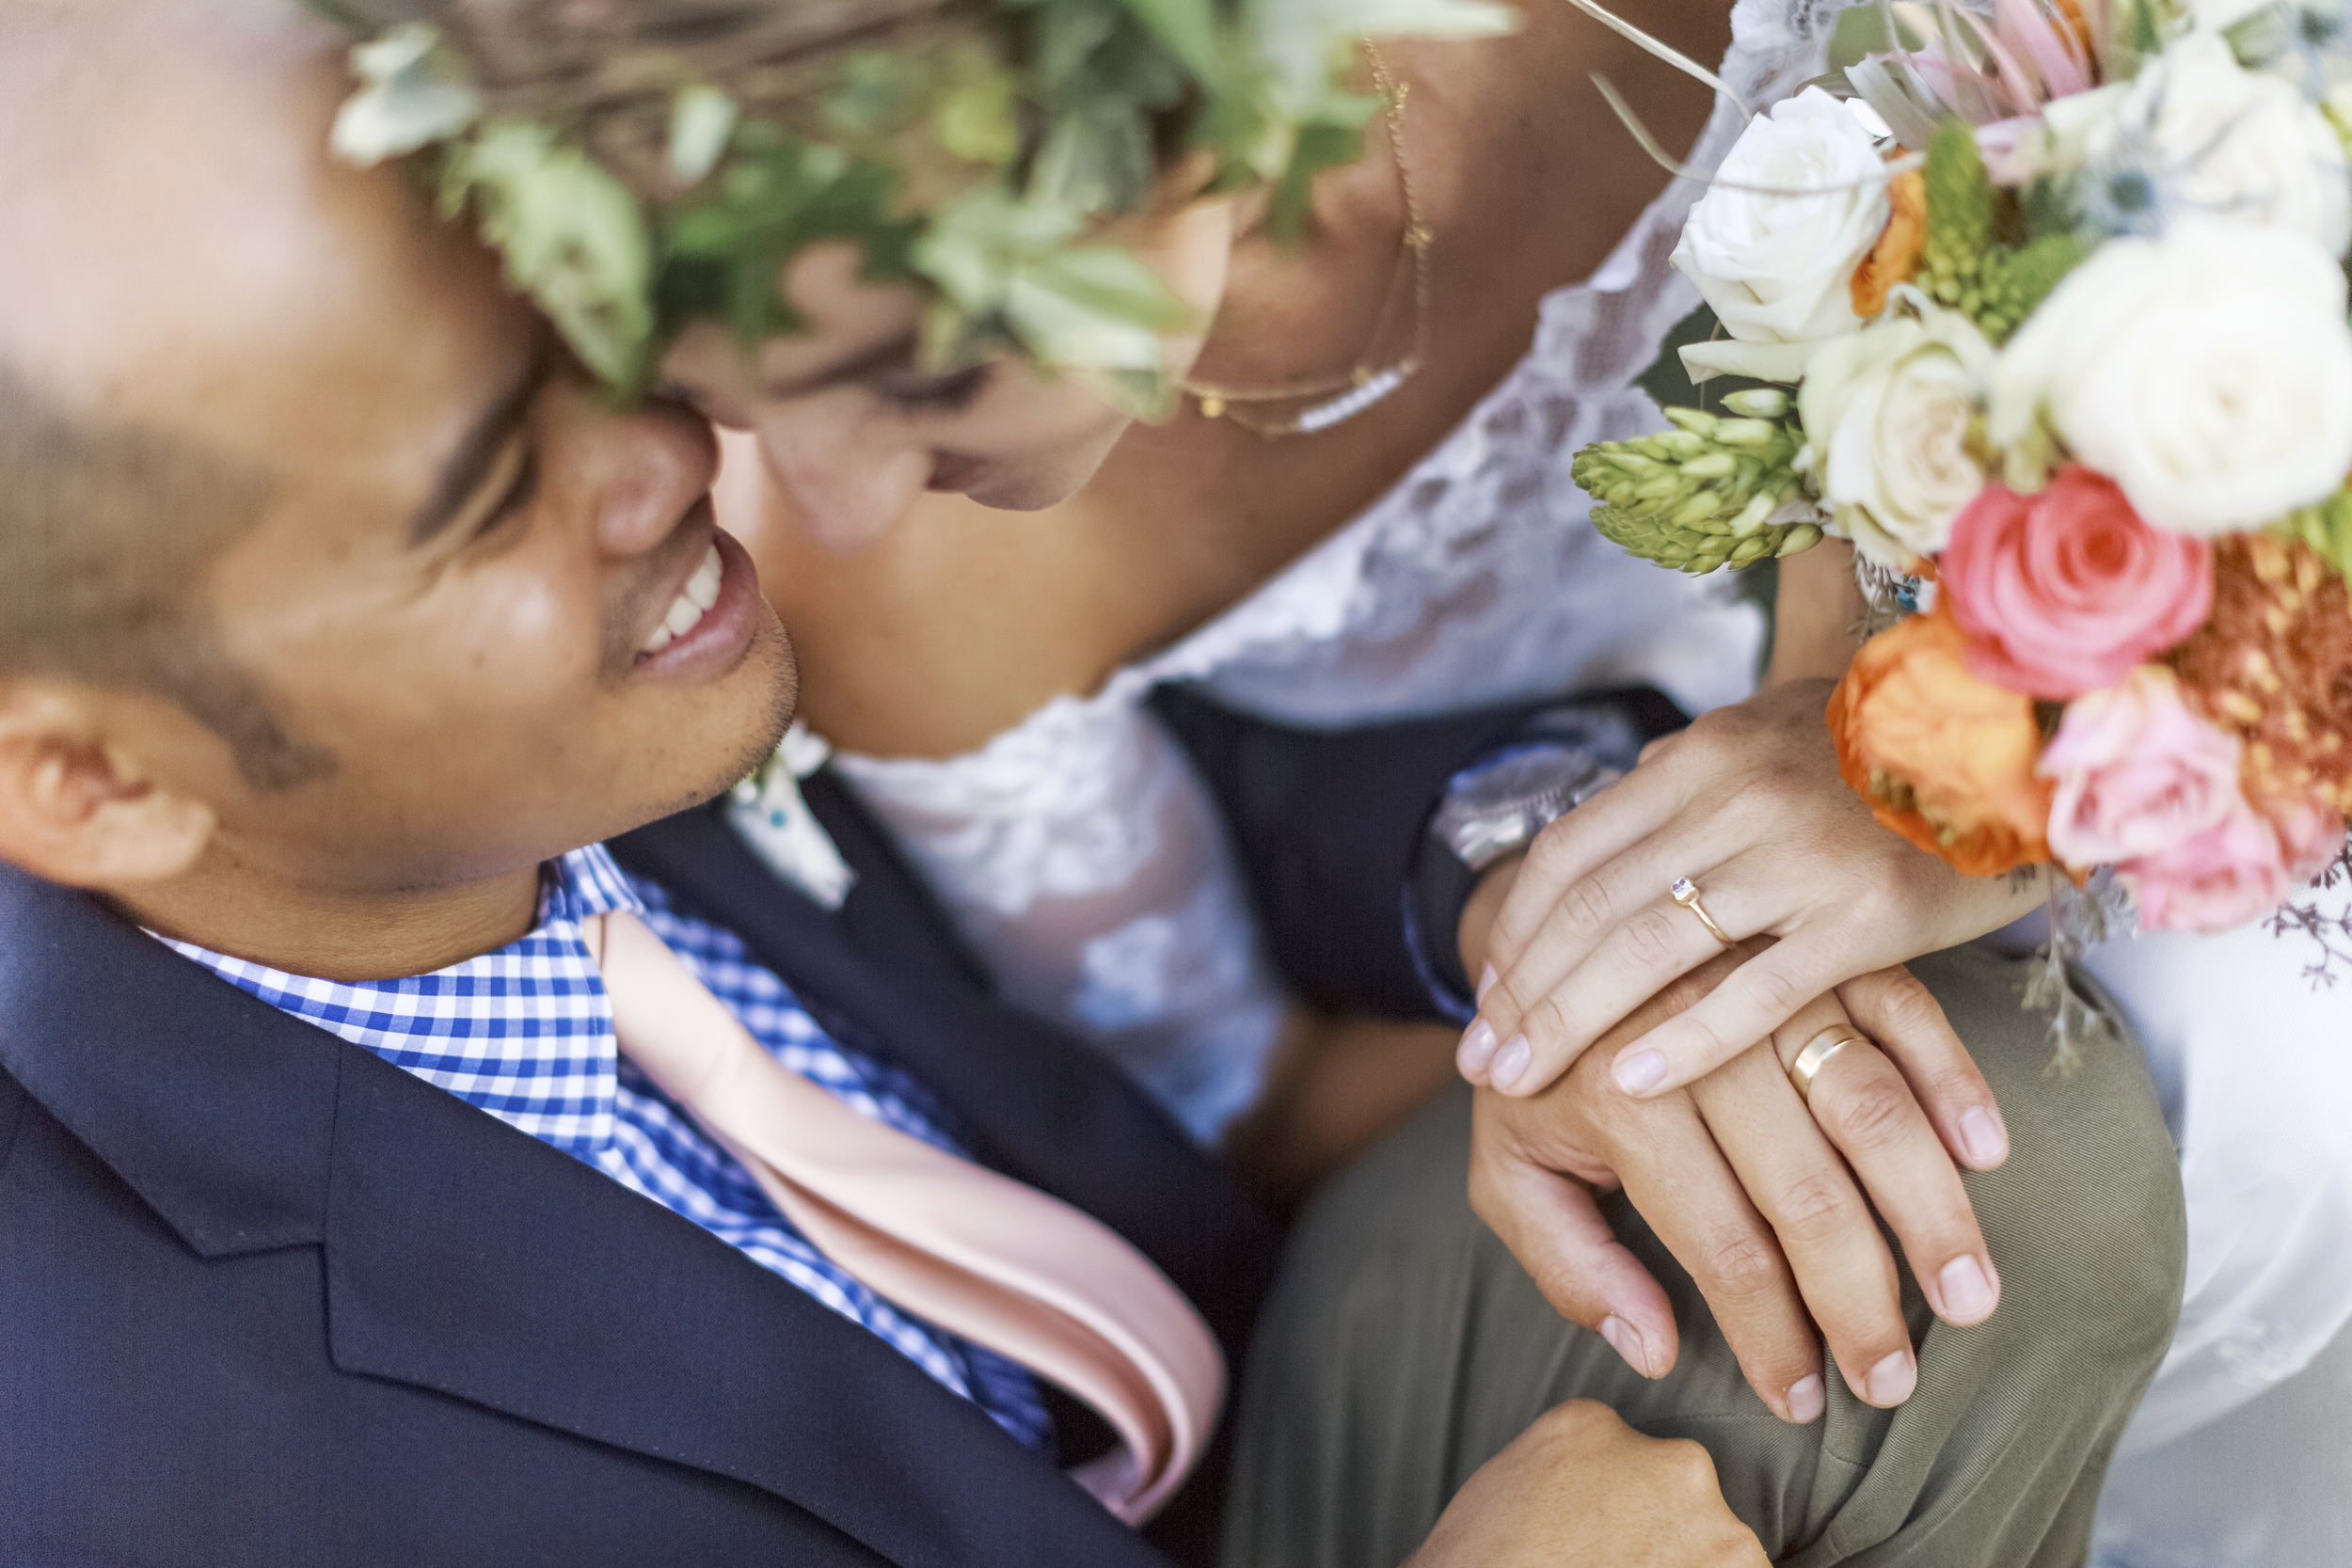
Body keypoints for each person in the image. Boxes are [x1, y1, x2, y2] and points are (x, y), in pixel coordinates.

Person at [0, 6, 2185, 1567]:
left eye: (585, 360)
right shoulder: (142, 1468)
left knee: (1958, 1153)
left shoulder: (543, 654)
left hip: (1269, 1329)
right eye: (489, 494)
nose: (680, 454)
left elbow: (1212, 785)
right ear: (86, 783)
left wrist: (1539, 906)